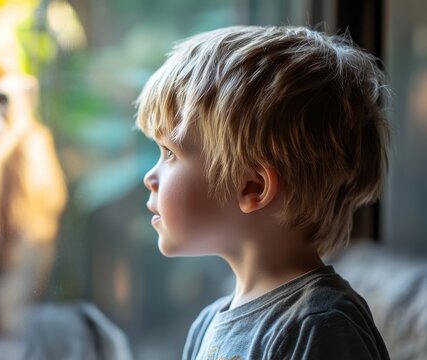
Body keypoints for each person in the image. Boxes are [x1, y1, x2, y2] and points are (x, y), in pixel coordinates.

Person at [135, 26, 391, 359]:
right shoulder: (207, 325)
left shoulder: (318, 327)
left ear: (253, 186)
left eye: (170, 153)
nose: (149, 177)